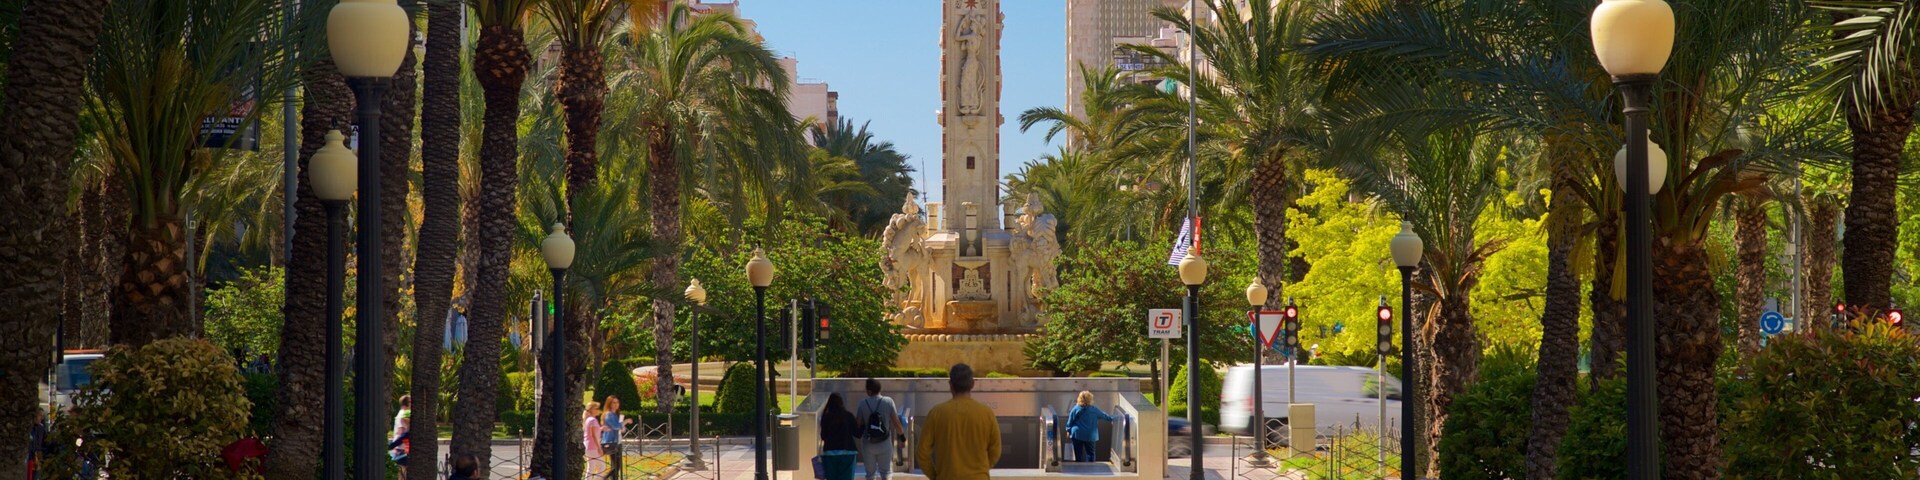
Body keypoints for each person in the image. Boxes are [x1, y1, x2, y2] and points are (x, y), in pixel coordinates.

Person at [916, 364, 1000, 480]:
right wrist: (982, 469)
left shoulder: (936, 413)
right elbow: (995, 450)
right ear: (972, 384)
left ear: (951, 385)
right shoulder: (986, 413)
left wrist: (935, 475)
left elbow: (922, 453)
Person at [854, 378, 905, 480]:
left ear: (869, 391)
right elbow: (896, 423)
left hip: (868, 443)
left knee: (870, 474)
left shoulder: (862, 404)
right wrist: (902, 437)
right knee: (886, 472)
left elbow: (858, 424)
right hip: (884, 443)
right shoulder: (888, 401)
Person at [817, 393, 861, 480]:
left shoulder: (826, 417)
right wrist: (862, 425)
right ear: (841, 403)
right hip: (848, 452)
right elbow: (857, 434)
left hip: (830, 453)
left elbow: (823, 436)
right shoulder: (848, 415)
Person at [1065, 391, 1115, 462]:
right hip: (1090, 435)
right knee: (1090, 453)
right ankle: (1091, 467)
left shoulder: (1075, 408)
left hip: (1077, 434)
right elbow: (1104, 416)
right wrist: (1114, 418)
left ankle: (1079, 468)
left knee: (1078, 453)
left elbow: (1070, 421)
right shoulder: (1094, 410)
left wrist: (1068, 430)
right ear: (1090, 399)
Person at [601, 396, 623, 477]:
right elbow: (616, 426)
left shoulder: (614, 414)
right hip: (611, 442)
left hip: (616, 441)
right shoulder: (609, 414)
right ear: (609, 404)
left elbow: (620, 428)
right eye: (614, 402)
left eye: (617, 402)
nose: (616, 404)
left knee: (616, 466)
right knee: (616, 467)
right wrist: (626, 422)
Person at [583, 401, 605, 477]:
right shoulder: (593, 420)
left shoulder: (588, 419)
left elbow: (592, 432)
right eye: (596, 408)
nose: (598, 410)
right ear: (592, 410)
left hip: (588, 446)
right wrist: (599, 448)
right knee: (602, 466)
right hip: (593, 446)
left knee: (591, 467)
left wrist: (601, 428)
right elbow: (593, 435)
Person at [391, 395, 413, 469]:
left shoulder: (403, 413)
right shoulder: (404, 414)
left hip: (401, 447)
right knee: (403, 471)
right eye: (410, 402)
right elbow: (401, 433)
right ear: (405, 403)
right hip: (401, 448)